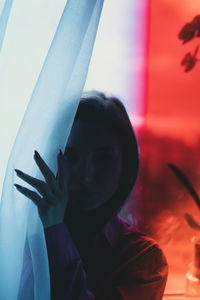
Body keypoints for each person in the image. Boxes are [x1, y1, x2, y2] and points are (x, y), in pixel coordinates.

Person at [14, 91, 168, 299]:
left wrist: (55, 231)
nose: (86, 176)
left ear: (126, 165)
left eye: (102, 159)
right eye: (69, 156)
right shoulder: (18, 242)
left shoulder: (142, 258)